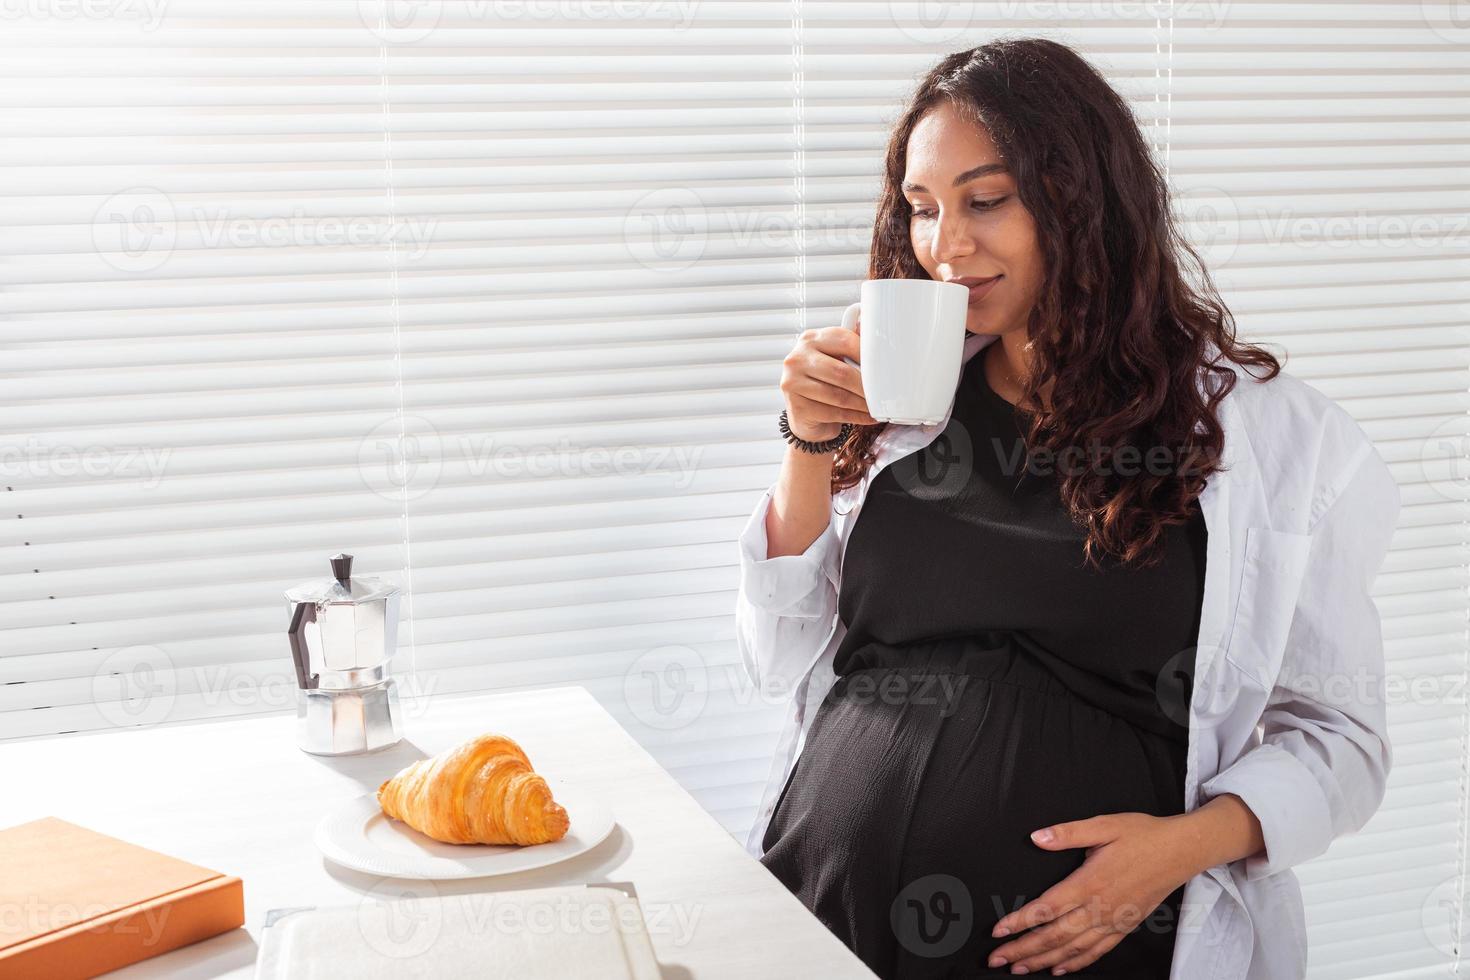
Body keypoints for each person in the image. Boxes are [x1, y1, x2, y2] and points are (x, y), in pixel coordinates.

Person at [735, 37, 1400, 980]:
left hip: (1081, 944)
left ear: (1082, 202)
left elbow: (1343, 741)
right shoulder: (900, 402)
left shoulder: (1269, 442)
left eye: (985, 200)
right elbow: (779, 656)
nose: (945, 246)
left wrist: (1173, 854)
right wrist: (807, 439)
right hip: (824, 907)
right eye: (921, 209)